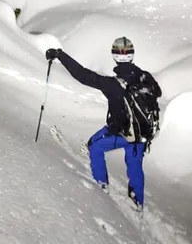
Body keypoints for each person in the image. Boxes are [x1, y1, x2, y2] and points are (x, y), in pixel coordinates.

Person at [45, 37, 162, 211]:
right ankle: (137, 202)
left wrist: (60, 55)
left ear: (114, 56)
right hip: (142, 134)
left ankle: (101, 188)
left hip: (122, 133)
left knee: (96, 147)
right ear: (132, 55)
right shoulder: (146, 77)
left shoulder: (112, 84)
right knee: (135, 165)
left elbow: (83, 75)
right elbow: (157, 93)